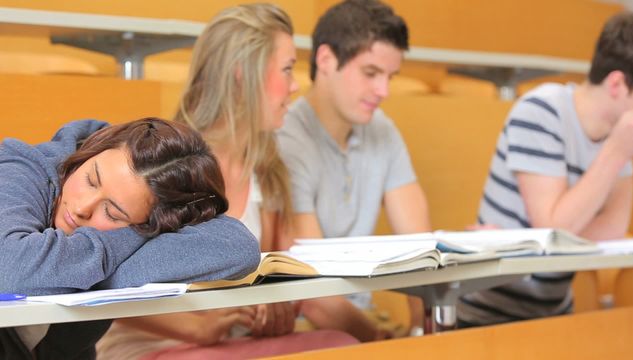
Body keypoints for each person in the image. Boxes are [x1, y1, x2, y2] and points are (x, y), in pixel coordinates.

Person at [97, 4, 358, 359]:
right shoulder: (161, 162)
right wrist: (197, 327)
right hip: (160, 346)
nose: (296, 86)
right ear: (241, 74)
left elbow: (299, 283)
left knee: (342, 346)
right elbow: (105, 282)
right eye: (287, 69)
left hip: (234, 345)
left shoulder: (269, 169)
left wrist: (275, 306)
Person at [0, 117, 260, 359]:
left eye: (112, 213)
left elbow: (238, 247)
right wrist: (123, 246)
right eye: (91, 179)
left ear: (153, 226)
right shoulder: (20, 168)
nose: (82, 208)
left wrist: (79, 270)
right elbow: (13, 273)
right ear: (91, 152)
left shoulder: (140, 230)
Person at [457, 11, 633, 328]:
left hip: (553, 314)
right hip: (487, 316)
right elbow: (554, 225)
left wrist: (530, 238)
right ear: (617, 84)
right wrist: (616, 152)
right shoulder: (541, 110)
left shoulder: (618, 135)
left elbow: (611, 228)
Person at [276, 0, 430, 342]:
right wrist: (382, 343)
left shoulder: (383, 129)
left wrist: (423, 332)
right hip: (306, 327)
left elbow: (420, 248)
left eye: (390, 77)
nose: (384, 92)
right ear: (326, 60)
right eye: (371, 73)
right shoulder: (287, 139)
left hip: (365, 320)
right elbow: (314, 293)